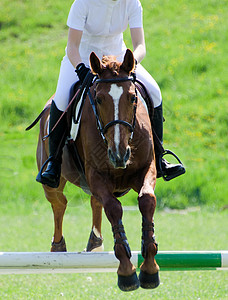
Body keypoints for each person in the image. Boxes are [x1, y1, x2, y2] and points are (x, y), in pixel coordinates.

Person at [36, 0, 185, 188]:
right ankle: (54, 163)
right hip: (82, 59)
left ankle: (161, 157)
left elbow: (140, 46)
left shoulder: (132, 3)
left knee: (155, 92)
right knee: (62, 97)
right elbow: (72, 46)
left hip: (120, 61)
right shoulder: (82, 3)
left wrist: (131, 65)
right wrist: (81, 70)